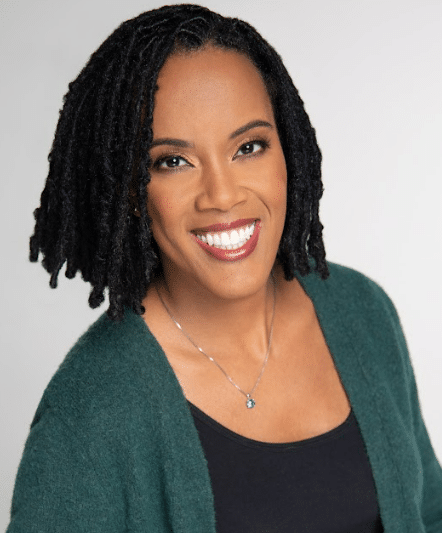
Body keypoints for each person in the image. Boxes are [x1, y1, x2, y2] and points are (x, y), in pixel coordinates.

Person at [7, 4, 442, 532]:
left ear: (290, 149)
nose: (222, 195)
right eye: (172, 161)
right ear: (127, 190)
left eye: (248, 146)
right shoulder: (92, 413)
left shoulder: (362, 312)